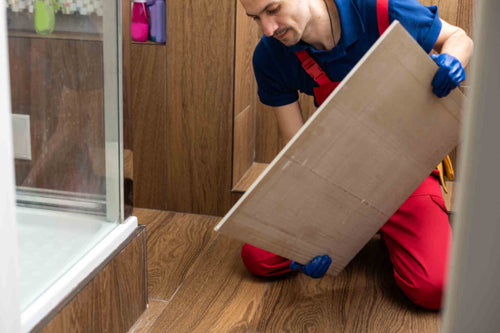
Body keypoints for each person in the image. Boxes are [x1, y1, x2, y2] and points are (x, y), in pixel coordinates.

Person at [239, 0, 473, 310]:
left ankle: (379, 233)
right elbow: (296, 148)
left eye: (273, 9)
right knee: (258, 257)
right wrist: (302, 243)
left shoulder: (379, 9)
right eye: (256, 18)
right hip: (338, 177)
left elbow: (458, 38)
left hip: (407, 172)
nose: (268, 29)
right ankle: (363, 232)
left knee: (436, 288)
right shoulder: (270, 55)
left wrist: (452, 62)